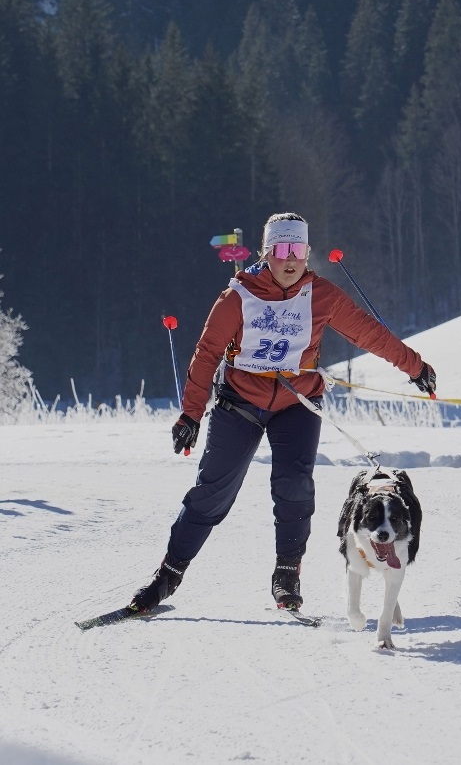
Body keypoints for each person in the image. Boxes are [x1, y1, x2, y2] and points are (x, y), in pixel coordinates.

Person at [128, 213, 437, 614]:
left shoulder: (321, 295)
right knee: (212, 493)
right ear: (266, 252)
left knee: (294, 485)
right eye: (281, 249)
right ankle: (167, 576)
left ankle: (287, 575)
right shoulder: (238, 296)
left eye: (298, 250)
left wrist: (415, 366)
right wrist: (190, 416)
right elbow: (207, 354)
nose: (290, 259)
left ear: (307, 253)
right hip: (240, 401)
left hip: (297, 403)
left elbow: (369, 333)